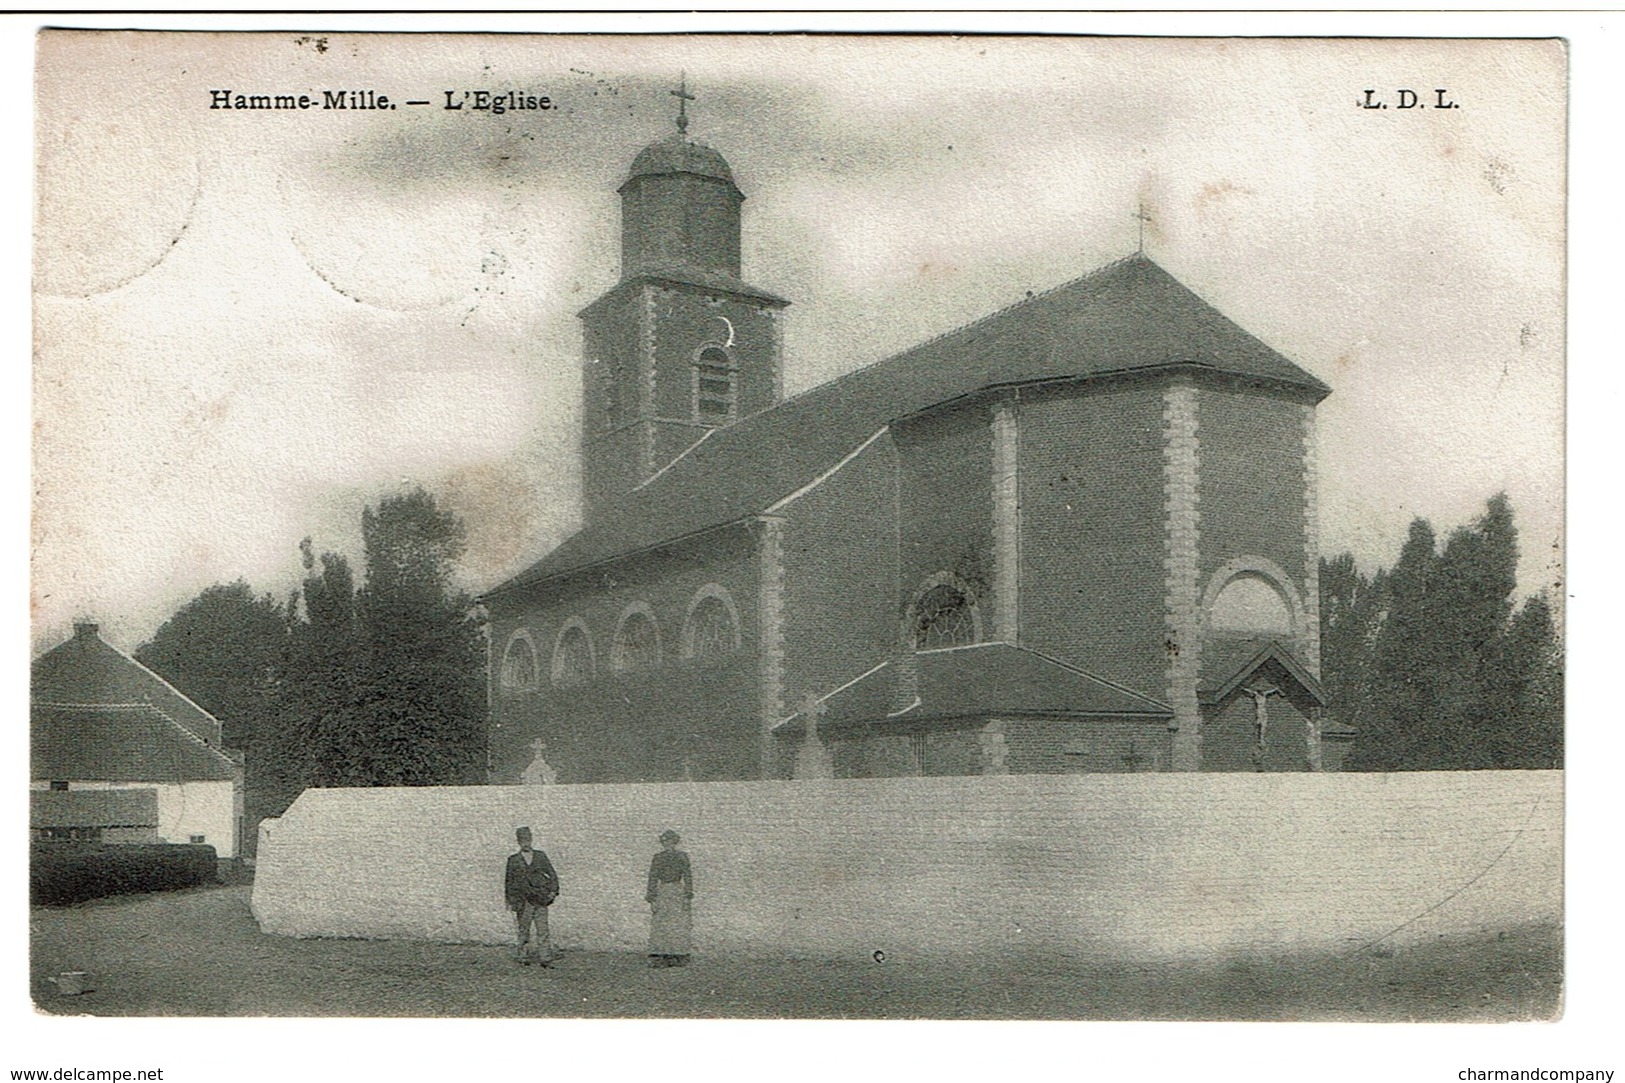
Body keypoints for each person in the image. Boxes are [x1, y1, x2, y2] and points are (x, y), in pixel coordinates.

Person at [504, 826, 559, 966]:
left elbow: (552, 874)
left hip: (540, 899)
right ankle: (523, 957)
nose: (526, 843)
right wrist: (510, 901)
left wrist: (553, 891)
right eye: (523, 840)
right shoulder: (513, 860)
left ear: (531, 839)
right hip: (523, 901)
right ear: (518, 842)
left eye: (528, 840)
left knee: (543, 929)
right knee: (523, 930)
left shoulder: (540, 856)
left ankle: (545, 958)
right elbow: (509, 882)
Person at [645, 829, 693, 968]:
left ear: (675, 842)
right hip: (663, 891)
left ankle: (678, 955)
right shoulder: (658, 857)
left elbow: (688, 876)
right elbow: (652, 877)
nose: (668, 844)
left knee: (678, 922)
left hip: (677, 890)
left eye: (671, 842)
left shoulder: (682, 856)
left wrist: (687, 896)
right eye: (665, 842)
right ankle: (660, 955)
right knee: (661, 922)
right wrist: (652, 898)